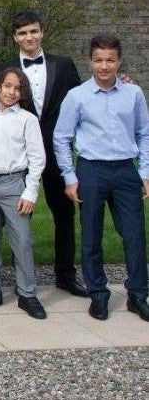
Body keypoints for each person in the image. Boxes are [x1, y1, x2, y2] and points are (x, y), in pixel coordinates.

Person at [53, 34, 149, 322]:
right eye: (98, 60)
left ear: (119, 61)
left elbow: (144, 133)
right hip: (90, 170)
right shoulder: (77, 96)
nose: (104, 66)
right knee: (91, 235)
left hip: (125, 170)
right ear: (90, 61)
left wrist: (144, 172)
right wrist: (69, 176)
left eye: (110, 60)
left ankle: (138, 294)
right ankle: (98, 294)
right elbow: (61, 138)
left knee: (134, 234)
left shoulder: (134, 94)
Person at [4, 9, 86, 297]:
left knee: (64, 213)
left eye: (33, 31)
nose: (29, 36)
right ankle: (22, 277)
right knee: (18, 216)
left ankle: (66, 274)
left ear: (42, 32)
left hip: (56, 152)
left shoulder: (63, 65)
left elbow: (81, 100)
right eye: (23, 32)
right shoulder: (6, 68)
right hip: (19, 153)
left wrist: (120, 81)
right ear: (15, 37)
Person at [0, 68, 47, 319]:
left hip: (15, 186)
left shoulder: (27, 119)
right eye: (7, 86)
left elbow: (37, 158)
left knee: (22, 241)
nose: (12, 92)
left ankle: (27, 293)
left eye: (17, 88)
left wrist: (30, 192)